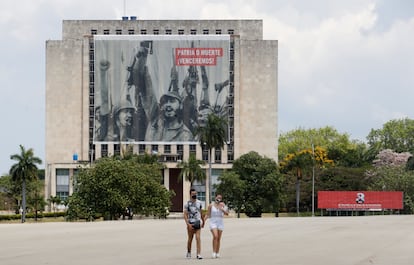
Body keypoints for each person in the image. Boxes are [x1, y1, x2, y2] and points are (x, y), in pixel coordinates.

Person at [206, 194, 229, 258]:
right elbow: (208, 214)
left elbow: (227, 213)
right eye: (218, 197)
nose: (218, 199)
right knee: (215, 236)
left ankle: (217, 252)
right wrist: (203, 222)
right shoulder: (211, 205)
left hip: (220, 222)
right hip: (213, 222)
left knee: (218, 238)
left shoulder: (223, 205)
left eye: (220, 198)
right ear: (215, 197)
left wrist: (222, 209)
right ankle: (213, 252)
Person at [183, 189, 204, 259]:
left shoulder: (199, 203)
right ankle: (189, 252)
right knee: (190, 239)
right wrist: (187, 224)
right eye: (193, 194)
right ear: (190, 194)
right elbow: (185, 214)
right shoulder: (187, 204)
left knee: (198, 238)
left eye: (195, 193)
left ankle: (199, 254)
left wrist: (203, 221)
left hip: (197, 222)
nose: (194, 195)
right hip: (190, 223)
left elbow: (201, 213)